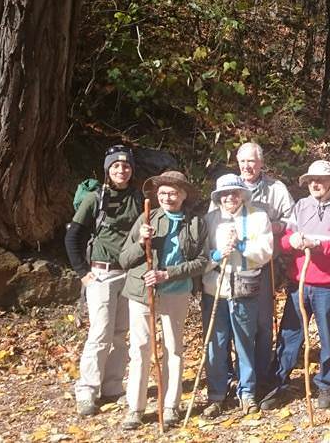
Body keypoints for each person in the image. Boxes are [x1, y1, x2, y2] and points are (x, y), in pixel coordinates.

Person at [260, 160, 330, 411]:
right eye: (311, 179)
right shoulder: (301, 206)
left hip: (329, 287)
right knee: (290, 335)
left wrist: (318, 245)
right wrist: (291, 241)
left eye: (322, 179)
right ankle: (277, 384)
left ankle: (325, 384)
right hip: (299, 283)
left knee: (327, 337)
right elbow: (282, 244)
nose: (315, 183)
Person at [119, 171, 208, 430]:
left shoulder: (195, 223)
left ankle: (171, 405)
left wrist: (168, 274)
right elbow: (124, 260)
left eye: (172, 193)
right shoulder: (146, 218)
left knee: (173, 348)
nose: (167, 197)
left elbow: (202, 262)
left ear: (183, 195)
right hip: (141, 292)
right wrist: (140, 241)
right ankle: (135, 408)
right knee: (141, 348)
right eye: (162, 193)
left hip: (176, 291)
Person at [67, 145, 143, 416]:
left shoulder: (137, 197)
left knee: (121, 334)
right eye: (116, 166)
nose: (121, 170)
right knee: (100, 332)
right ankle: (87, 389)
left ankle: (113, 386)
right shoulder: (94, 197)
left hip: (129, 272)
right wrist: (82, 272)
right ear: (107, 169)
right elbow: (73, 235)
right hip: (101, 273)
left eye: (126, 166)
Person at [200, 174, 273, 417]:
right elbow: (200, 257)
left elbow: (266, 252)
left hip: (244, 288)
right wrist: (217, 256)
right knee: (216, 344)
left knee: (245, 341)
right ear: (218, 196)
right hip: (215, 289)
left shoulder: (257, 217)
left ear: (242, 194)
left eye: (234, 192)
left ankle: (248, 393)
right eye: (224, 193)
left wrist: (242, 247)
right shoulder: (209, 220)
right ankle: (216, 395)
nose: (229, 197)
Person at [234, 142, 295, 394]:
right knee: (236, 323)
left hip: (266, 264)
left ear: (261, 163)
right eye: (243, 162)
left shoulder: (276, 189)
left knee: (262, 321)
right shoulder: (229, 188)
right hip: (233, 267)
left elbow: (292, 218)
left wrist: (274, 226)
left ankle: (260, 374)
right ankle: (235, 376)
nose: (247, 166)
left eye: (252, 161)